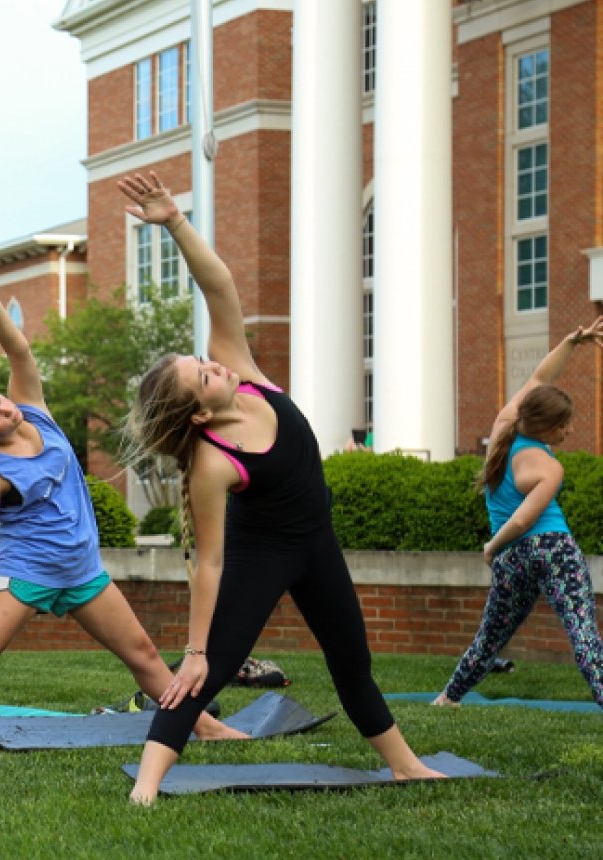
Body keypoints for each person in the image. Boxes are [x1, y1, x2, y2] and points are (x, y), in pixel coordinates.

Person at [116, 171, 443, 804]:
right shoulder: (214, 461)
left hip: (316, 544)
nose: (213, 365)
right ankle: (146, 789)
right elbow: (209, 561)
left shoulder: (243, 373)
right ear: (200, 415)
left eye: (204, 360)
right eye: (202, 375)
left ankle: (406, 765)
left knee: (353, 662)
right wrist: (195, 647)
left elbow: (220, 285)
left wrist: (175, 222)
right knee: (202, 678)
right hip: (260, 556)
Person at [0, 273, 244, 761]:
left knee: (144, 656)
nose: (9, 412)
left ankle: (206, 727)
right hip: (27, 572)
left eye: (1, 402)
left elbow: (20, 352)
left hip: (81, 570)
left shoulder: (34, 411)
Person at [433, 320, 603, 709]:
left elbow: (541, 376)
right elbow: (525, 521)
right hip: (552, 549)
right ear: (546, 427)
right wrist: (491, 546)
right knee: (582, 632)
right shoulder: (548, 467)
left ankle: (449, 697)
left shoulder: (503, 430)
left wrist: (570, 342)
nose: (569, 432)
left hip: (514, 559)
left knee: (491, 635)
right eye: (564, 426)